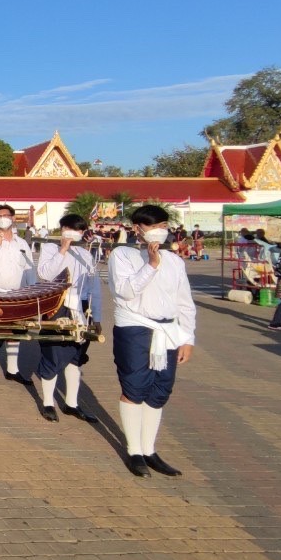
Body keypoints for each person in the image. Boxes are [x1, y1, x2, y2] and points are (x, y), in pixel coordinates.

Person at [107, 204, 196, 478]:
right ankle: (134, 450)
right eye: (152, 226)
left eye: (162, 226)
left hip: (168, 331)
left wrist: (188, 338)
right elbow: (126, 292)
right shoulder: (123, 255)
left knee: (160, 390)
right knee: (135, 387)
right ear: (137, 229)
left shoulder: (176, 261)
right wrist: (151, 264)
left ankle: (149, 449)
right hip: (135, 328)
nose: (159, 231)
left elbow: (184, 302)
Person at [34, 214, 102, 423]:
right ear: (62, 229)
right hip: (56, 305)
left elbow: (94, 287)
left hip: (81, 307)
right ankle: (47, 402)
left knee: (76, 356)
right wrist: (62, 249)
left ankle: (71, 403)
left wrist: (97, 316)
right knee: (53, 353)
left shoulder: (86, 253)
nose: (74, 233)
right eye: (69, 229)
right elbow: (45, 274)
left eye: (79, 230)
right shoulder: (50, 248)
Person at [0, 204, 35, 386]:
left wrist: (32, 292)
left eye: (6, 215)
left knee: (15, 331)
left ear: (13, 218)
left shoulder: (22, 243)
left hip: (17, 293)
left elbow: (29, 268)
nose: (2, 218)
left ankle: (12, 369)